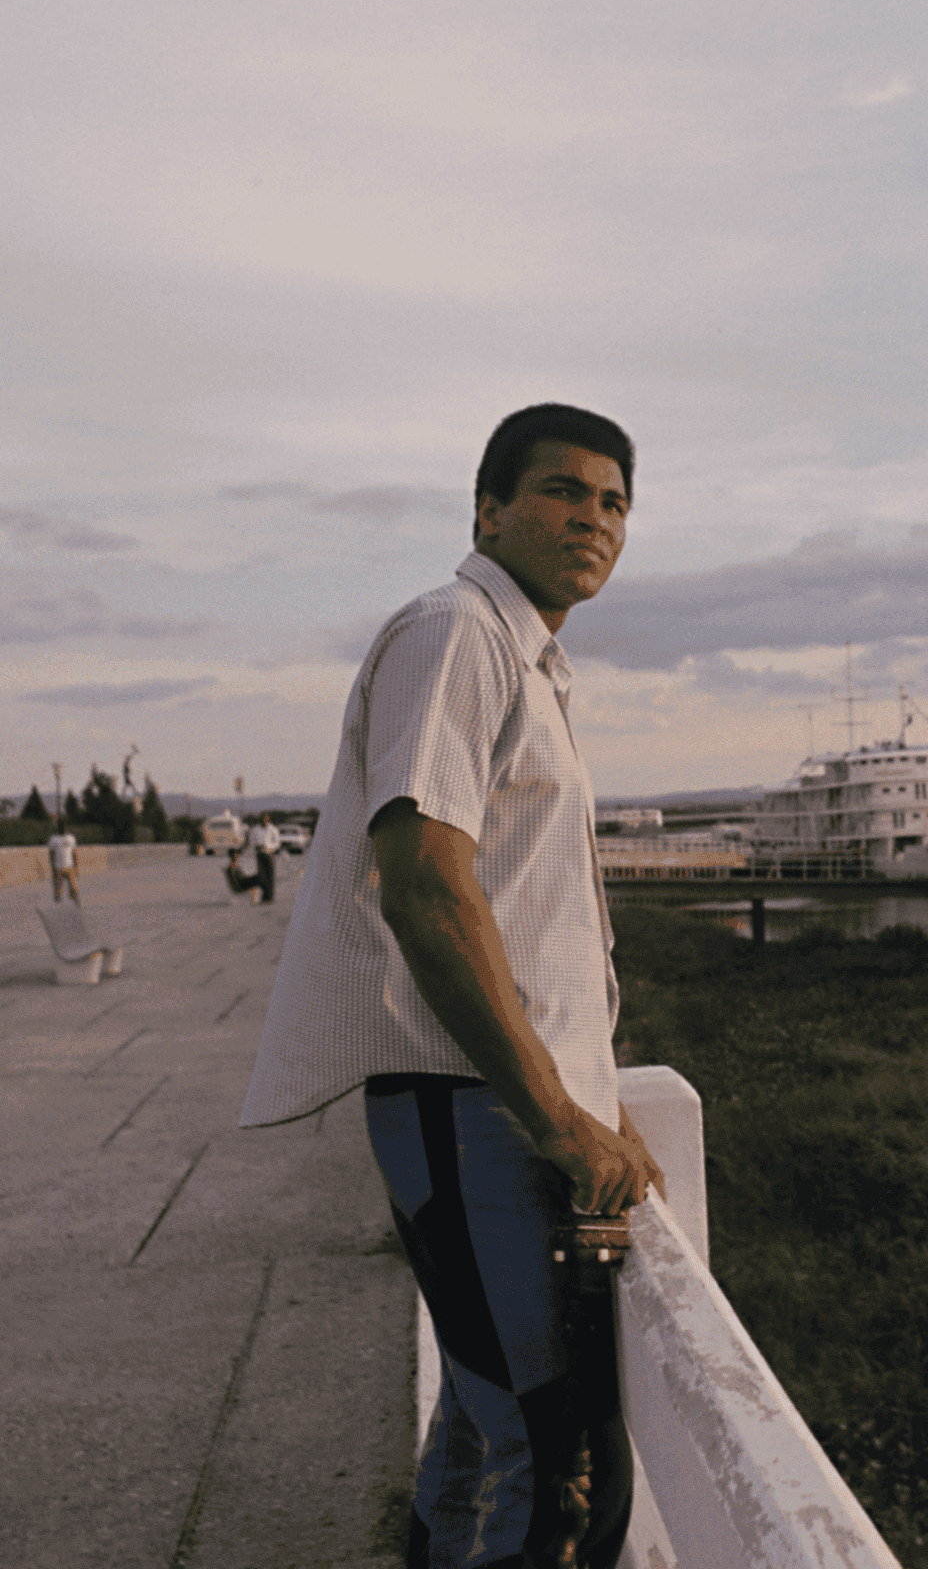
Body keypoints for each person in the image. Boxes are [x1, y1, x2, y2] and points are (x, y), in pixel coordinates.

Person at [240, 403, 662, 1569]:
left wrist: (592, 1089)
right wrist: (557, 1111)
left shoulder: (521, 652)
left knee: (485, 1424)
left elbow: (529, 915)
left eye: (615, 501)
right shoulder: (455, 631)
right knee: (541, 1447)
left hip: (492, 1106)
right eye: (563, 490)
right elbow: (428, 883)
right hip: (466, 1106)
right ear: (488, 506)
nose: (594, 518)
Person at [246, 812, 280, 906]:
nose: (263, 821)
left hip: (269, 854)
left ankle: (269, 898)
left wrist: (268, 847)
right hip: (259, 854)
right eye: (261, 819)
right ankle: (264, 896)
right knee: (262, 876)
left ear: (268, 819)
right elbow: (251, 842)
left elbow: (277, 843)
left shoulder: (273, 829)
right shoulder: (255, 830)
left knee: (270, 876)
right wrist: (256, 846)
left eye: (265, 819)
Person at [48, 826, 80, 903]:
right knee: (58, 890)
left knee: (74, 888)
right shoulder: (53, 839)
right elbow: (51, 854)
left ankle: (76, 904)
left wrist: (76, 867)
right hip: (58, 867)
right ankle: (58, 907)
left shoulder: (70, 838)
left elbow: (74, 853)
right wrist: (53, 868)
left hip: (70, 866)